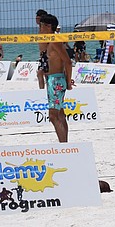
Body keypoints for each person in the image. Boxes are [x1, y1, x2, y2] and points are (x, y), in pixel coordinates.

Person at [41, 14, 73, 142]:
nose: (40, 28)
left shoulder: (55, 41)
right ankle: (65, 144)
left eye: (42, 25)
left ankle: (63, 145)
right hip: (53, 79)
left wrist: (68, 81)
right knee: (60, 114)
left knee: (53, 116)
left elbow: (68, 62)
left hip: (56, 80)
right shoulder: (49, 41)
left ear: (48, 26)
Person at [35, 9, 49, 89]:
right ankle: (42, 91)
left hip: (47, 54)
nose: (36, 19)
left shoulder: (45, 27)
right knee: (40, 73)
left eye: (37, 18)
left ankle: (47, 90)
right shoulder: (40, 27)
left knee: (46, 74)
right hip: (43, 54)